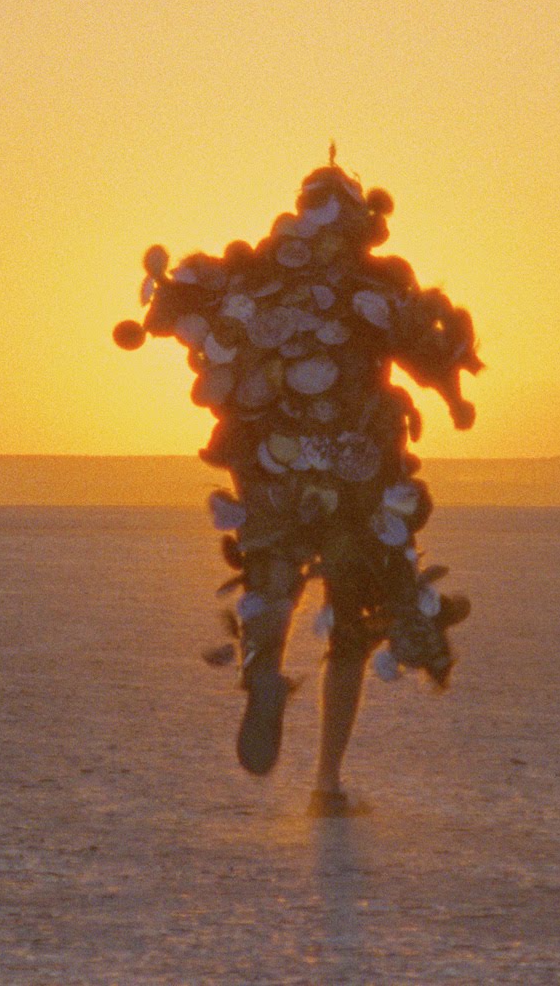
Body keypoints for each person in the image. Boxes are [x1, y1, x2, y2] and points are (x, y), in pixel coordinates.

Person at [113, 158, 482, 814]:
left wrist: (162, 302)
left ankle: (263, 671)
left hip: (273, 470)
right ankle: (326, 785)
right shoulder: (374, 282)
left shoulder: (254, 275)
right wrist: (454, 396)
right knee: (352, 626)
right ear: (359, 219)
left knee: (271, 581)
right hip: (357, 476)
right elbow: (425, 349)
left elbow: (177, 307)